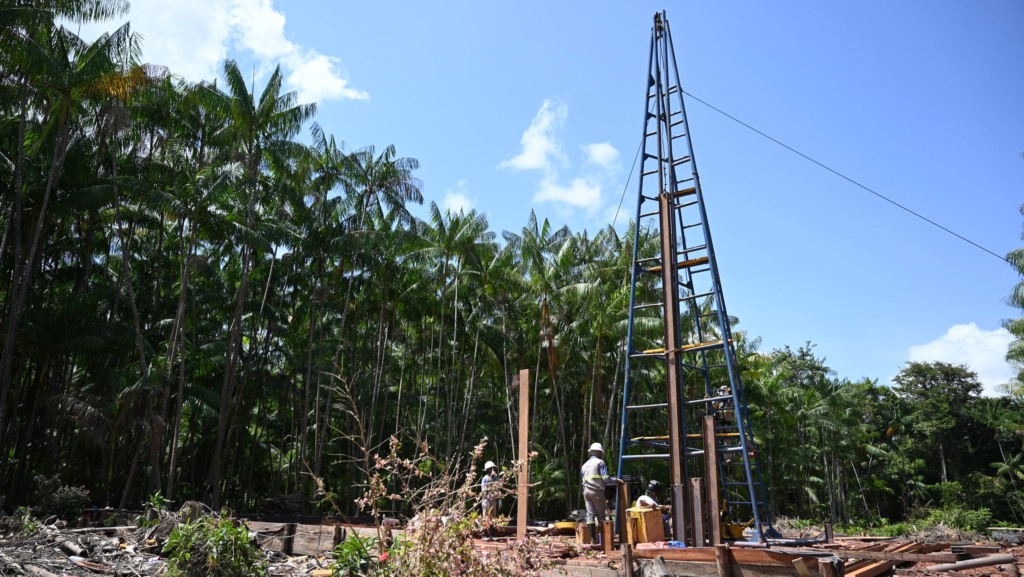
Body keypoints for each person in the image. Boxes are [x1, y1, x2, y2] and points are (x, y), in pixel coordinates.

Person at [580, 442, 621, 544]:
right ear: (599, 453)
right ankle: (604, 542)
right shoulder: (600, 463)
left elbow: (582, 480)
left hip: (586, 492)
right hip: (596, 491)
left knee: (590, 515)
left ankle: (593, 540)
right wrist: (616, 480)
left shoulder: (584, 465)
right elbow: (605, 479)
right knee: (601, 516)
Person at [480, 461, 500, 536]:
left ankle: (492, 534)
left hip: (494, 500)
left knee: (493, 517)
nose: (492, 469)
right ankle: (484, 534)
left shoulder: (496, 478)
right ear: (487, 469)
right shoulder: (485, 478)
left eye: (493, 468)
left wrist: (499, 499)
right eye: (490, 468)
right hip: (486, 500)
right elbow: (483, 490)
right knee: (486, 517)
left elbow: (498, 488)